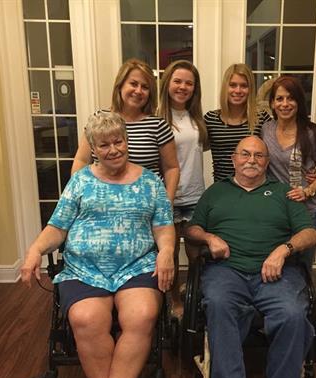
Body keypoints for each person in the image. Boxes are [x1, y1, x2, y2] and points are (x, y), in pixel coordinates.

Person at [21, 111, 175, 378]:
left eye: (118, 141)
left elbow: (163, 227)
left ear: (126, 140)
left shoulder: (151, 182)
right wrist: (34, 250)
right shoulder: (80, 181)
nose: (113, 149)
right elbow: (57, 228)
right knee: (86, 319)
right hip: (85, 269)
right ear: (93, 148)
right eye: (104, 145)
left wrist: (167, 251)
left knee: (142, 315)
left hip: (137, 266)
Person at [186, 136, 316, 378]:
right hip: (226, 270)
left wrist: (283, 250)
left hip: (277, 272)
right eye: (245, 154)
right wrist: (209, 238)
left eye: (259, 156)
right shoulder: (216, 192)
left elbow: (310, 233)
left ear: (267, 162)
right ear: (234, 160)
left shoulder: (284, 193)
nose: (251, 160)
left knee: (292, 314)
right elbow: (192, 229)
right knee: (219, 305)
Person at [71, 58, 180, 201]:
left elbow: (171, 168)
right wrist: (76, 197)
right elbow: (82, 160)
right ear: (120, 85)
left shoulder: (158, 125)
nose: (138, 91)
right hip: (101, 201)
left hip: (146, 203)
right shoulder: (99, 120)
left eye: (145, 87)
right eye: (133, 84)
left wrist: (167, 202)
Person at [261, 76, 316, 267]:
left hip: (307, 212)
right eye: (279, 98)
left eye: (291, 98)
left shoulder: (313, 133)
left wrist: (308, 190)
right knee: (276, 265)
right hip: (276, 211)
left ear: (299, 102)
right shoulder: (266, 130)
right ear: (272, 103)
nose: (285, 104)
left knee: (302, 268)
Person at [158, 60, 207, 316]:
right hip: (169, 196)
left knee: (195, 251)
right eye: (177, 81)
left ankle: (195, 294)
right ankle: (175, 301)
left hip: (196, 194)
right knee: (172, 253)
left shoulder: (197, 117)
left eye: (189, 83)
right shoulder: (156, 117)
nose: (183, 87)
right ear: (167, 83)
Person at [205, 63, 271, 181]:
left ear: (250, 89)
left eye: (244, 86)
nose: (238, 90)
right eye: (233, 85)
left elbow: (276, 151)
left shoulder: (261, 118)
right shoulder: (211, 119)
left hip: (255, 186)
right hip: (222, 186)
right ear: (225, 87)